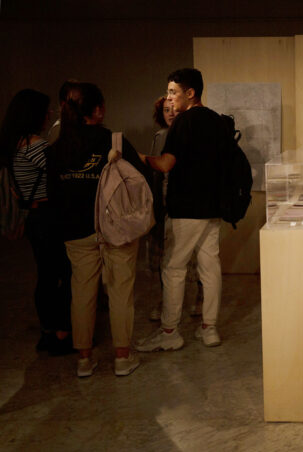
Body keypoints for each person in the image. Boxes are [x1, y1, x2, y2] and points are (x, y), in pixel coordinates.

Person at [48, 82, 149, 376]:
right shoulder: (113, 141)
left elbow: (53, 194)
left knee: (81, 293)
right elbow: (139, 179)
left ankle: (84, 359)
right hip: (116, 228)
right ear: (98, 110)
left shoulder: (57, 148)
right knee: (120, 291)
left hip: (75, 231)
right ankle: (122, 358)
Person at [136, 68, 225, 351]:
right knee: (210, 267)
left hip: (186, 207)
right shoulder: (216, 120)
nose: (169, 98)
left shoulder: (183, 122)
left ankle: (170, 332)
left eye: (173, 92)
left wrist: (138, 157)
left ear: (190, 93)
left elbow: (165, 164)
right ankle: (210, 329)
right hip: (213, 206)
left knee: (173, 268)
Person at [0, 89, 73, 355]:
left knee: (45, 275)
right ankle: (62, 332)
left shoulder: (15, 145)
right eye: (46, 110)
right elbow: (63, 174)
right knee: (66, 273)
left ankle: (47, 331)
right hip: (49, 216)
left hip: (33, 217)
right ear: (34, 114)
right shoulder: (37, 147)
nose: (50, 114)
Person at [146, 96, 202, 321]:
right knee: (163, 256)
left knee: (195, 254)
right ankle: (165, 302)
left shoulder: (191, 134)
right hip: (163, 202)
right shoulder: (160, 136)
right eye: (166, 110)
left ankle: (198, 297)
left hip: (187, 202)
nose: (170, 113)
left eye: (173, 109)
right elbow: (155, 171)